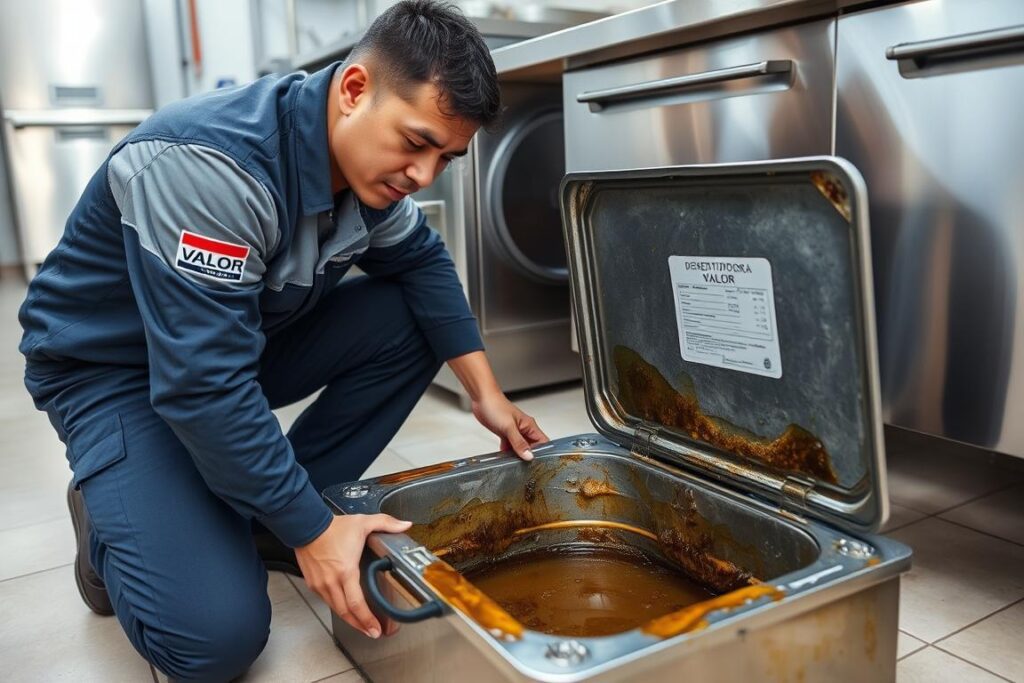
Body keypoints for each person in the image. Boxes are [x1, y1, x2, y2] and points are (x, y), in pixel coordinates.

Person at [18, 1, 549, 679]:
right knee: (215, 639)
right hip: (115, 370)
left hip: (228, 344)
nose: (424, 175)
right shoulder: (214, 168)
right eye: (416, 143)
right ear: (355, 90)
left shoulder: (365, 173)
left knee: (410, 313)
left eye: (445, 157)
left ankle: (272, 516)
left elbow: (422, 262)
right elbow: (204, 387)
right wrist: (319, 534)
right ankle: (108, 516)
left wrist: (488, 395)